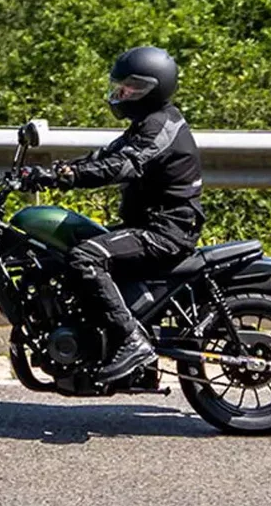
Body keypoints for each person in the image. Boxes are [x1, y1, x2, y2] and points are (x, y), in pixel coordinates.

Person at [11, 46, 202, 382]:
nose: (120, 94)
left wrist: (66, 177)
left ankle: (131, 340)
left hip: (165, 232)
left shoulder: (162, 128)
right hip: (149, 226)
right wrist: (54, 171)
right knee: (68, 252)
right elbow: (105, 156)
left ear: (148, 89)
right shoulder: (148, 123)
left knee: (86, 257)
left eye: (128, 87)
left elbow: (123, 166)